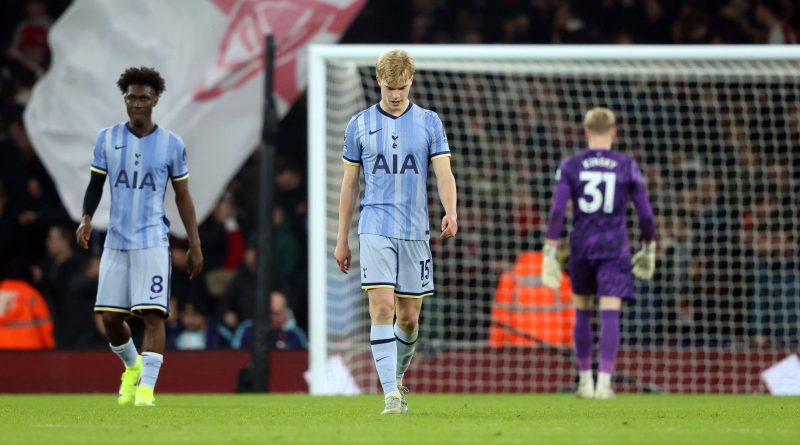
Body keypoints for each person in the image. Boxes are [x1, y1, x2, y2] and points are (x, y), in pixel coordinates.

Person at [334, 49, 458, 415]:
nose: (395, 95)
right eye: (389, 87)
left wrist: (451, 210)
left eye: (401, 87)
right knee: (382, 308)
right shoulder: (359, 124)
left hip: (415, 231)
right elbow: (348, 185)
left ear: (411, 82)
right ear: (378, 82)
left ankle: (398, 377)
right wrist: (343, 237)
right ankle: (390, 395)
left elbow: (444, 173)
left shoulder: (429, 122)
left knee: (408, 317)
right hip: (374, 228)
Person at [75, 67, 203, 407]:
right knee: (111, 318)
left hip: (152, 240)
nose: (136, 103)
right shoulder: (108, 138)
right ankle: (132, 367)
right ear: (126, 98)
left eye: (143, 97)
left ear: (155, 100)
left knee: (152, 315)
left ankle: (146, 391)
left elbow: (182, 196)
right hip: (116, 241)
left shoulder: (171, 145)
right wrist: (86, 218)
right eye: (131, 97)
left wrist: (194, 242)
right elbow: (95, 184)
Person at [542, 107, 655, 400]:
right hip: (614, 246)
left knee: (582, 310)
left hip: (581, 244)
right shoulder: (626, 165)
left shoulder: (572, 165)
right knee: (610, 312)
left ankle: (584, 381)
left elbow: (557, 210)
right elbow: (645, 214)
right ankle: (604, 382)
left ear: (586, 132)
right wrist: (649, 245)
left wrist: (550, 248)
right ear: (614, 132)